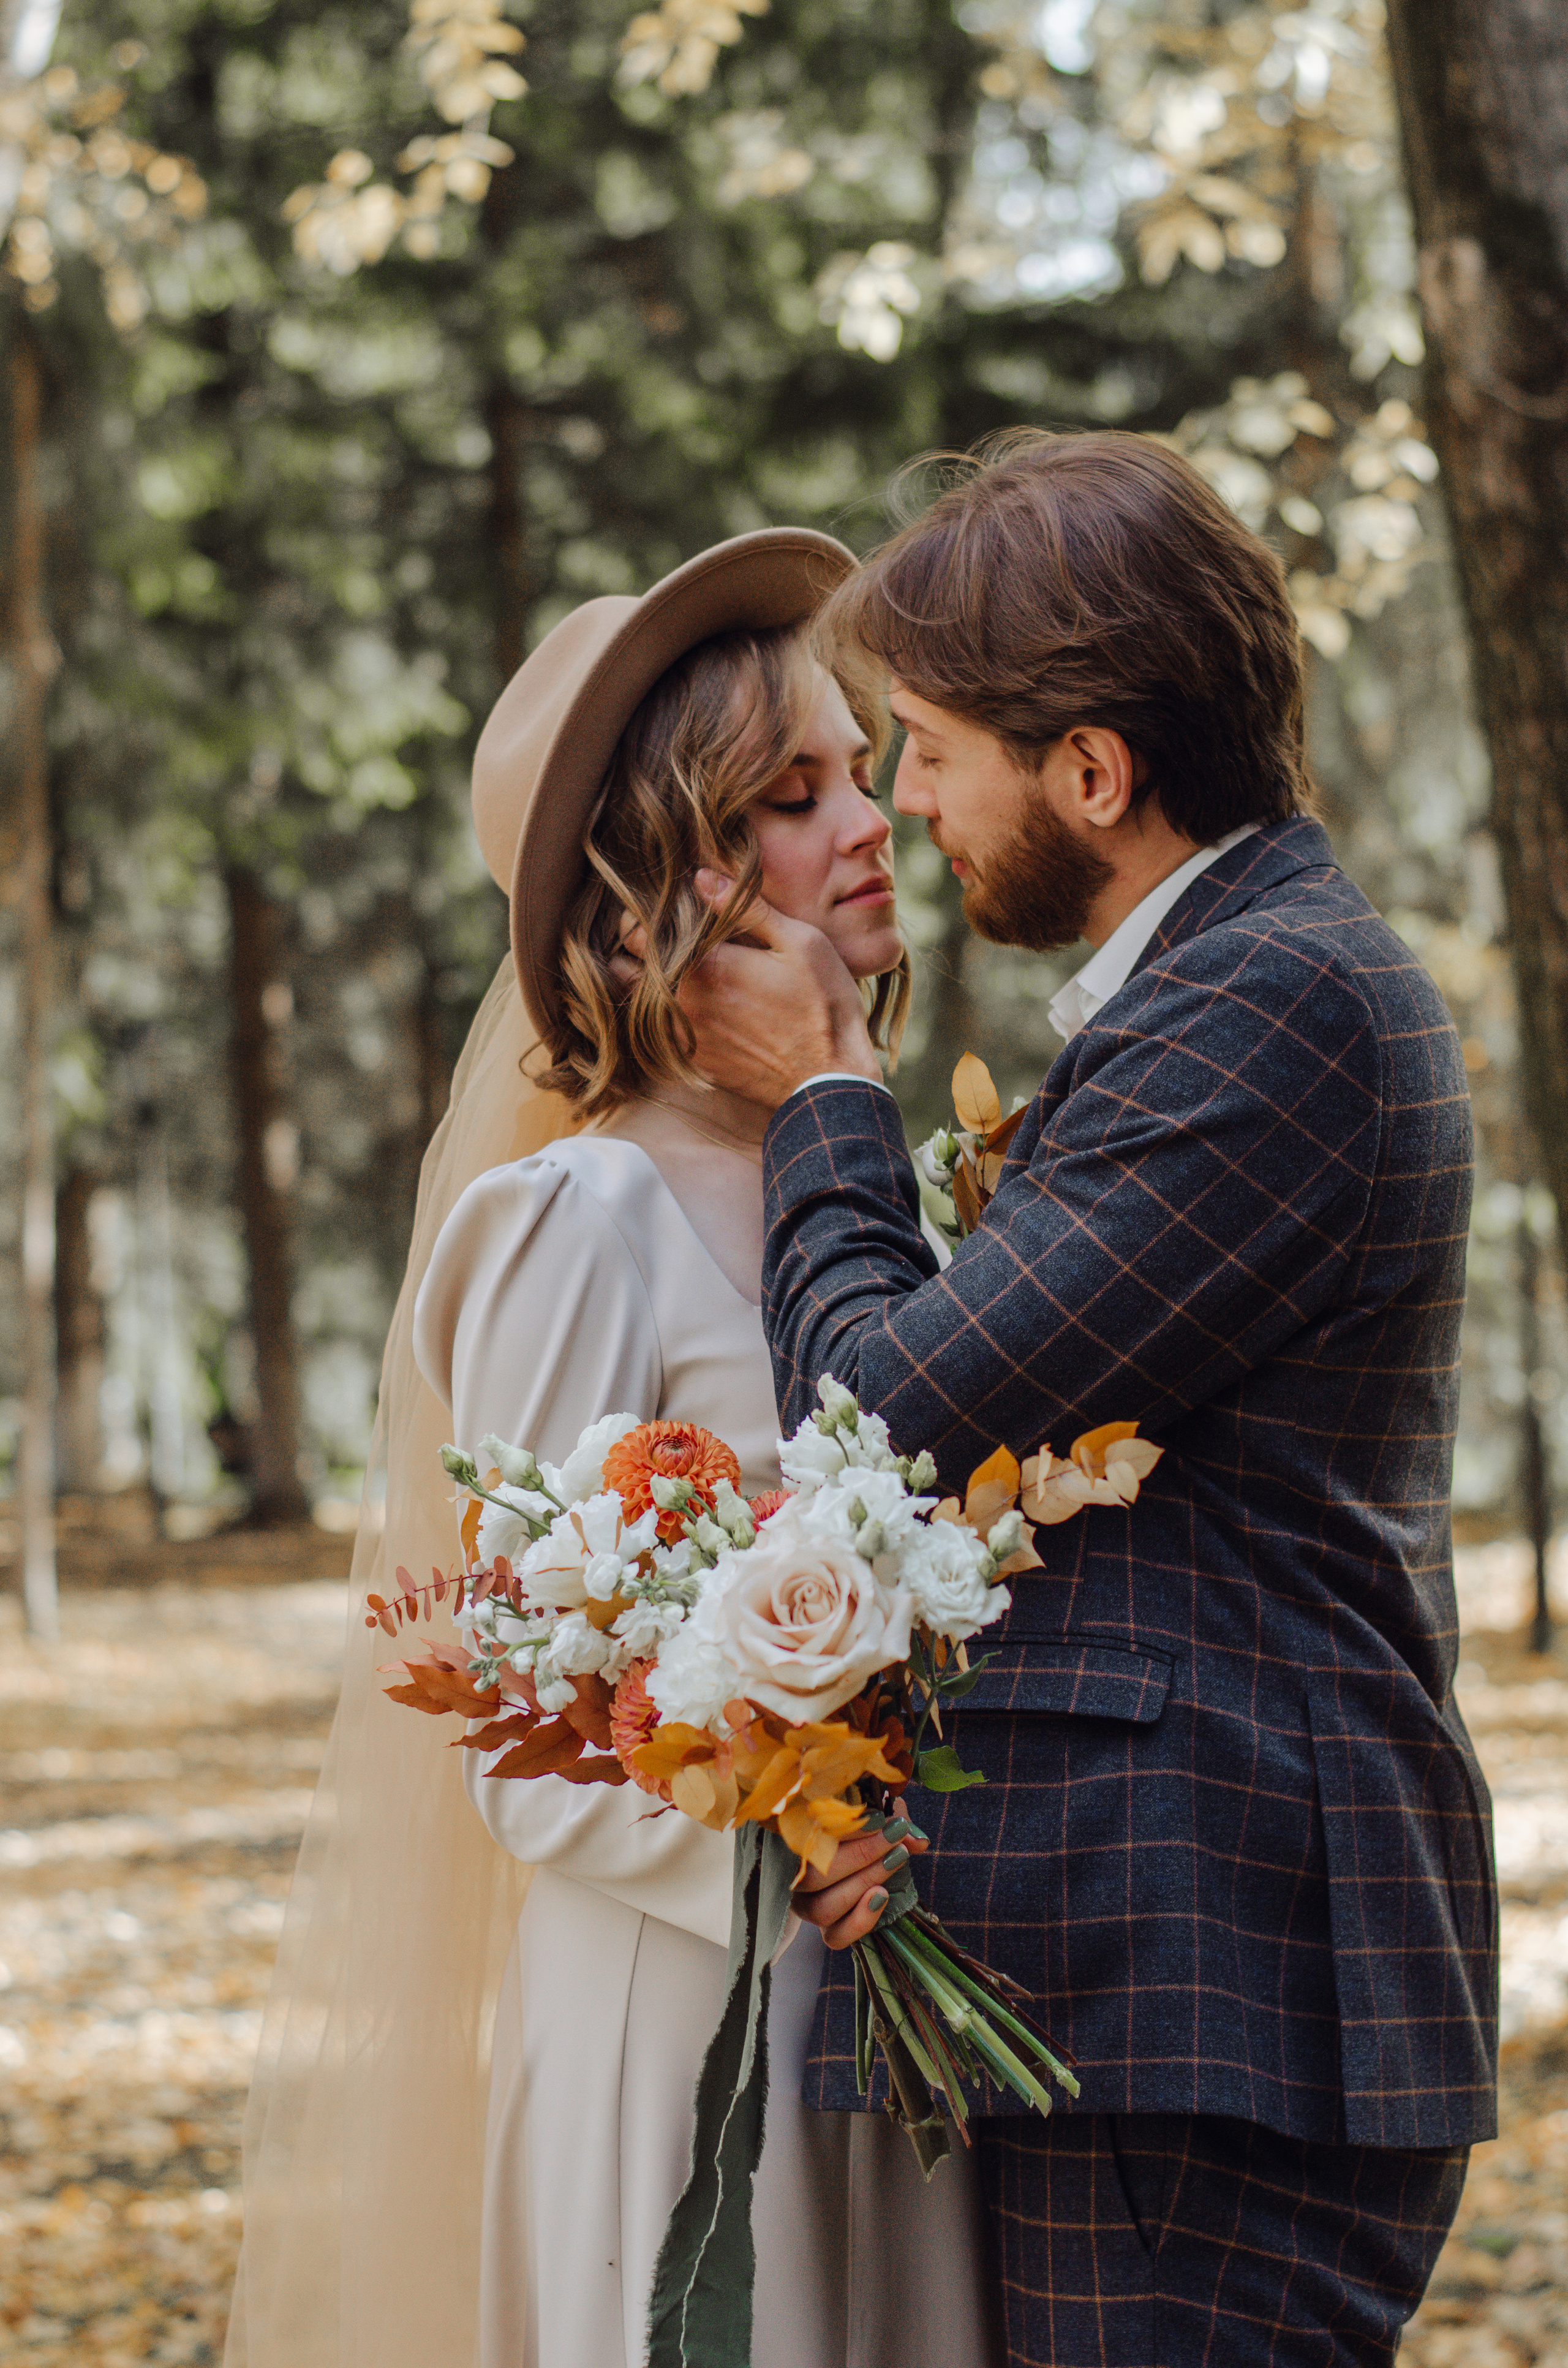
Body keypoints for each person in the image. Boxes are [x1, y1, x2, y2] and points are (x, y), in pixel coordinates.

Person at [676, 436, 1499, 2367]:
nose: (907, 804)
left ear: (1095, 773)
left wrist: (824, 1093)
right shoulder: (1230, 985)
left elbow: (882, 1412)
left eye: (926, 748)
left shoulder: (1272, 1008)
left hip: (1212, 1980)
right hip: (1178, 1982)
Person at [224, 529, 998, 2368]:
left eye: (859, 770)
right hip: (687, 2034)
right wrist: (789, 1834)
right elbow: (523, 1728)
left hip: (890, 2017)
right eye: (793, 797)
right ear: (666, 885)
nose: (871, 822)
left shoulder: (880, 1194)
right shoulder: (573, 1219)